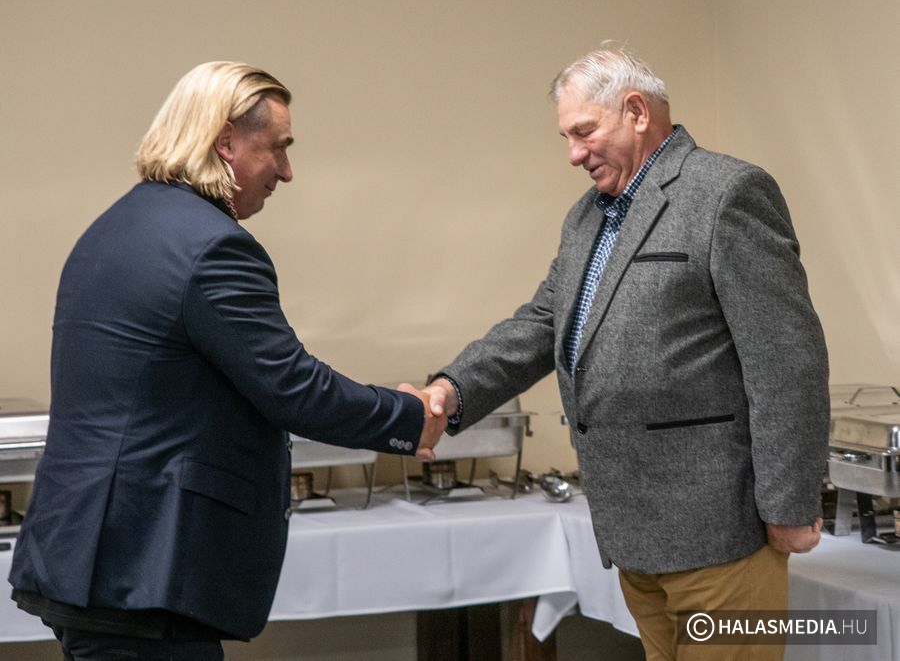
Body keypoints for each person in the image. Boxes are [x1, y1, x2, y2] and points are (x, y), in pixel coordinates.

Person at [8, 61, 446, 660]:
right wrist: (408, 416)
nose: (286, 172)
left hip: (85, 553)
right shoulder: (214, 246)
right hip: (141, 567)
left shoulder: (112, 228)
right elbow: (293, 388)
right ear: (226, 142)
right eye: (278, 148)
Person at [424, 44, 828, 661]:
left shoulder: (727, 192)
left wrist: (790, 503)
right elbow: (542, 323)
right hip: (635, 536)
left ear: (636, 112)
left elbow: (787, 360)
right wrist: (451, 390)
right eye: (566, 137)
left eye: (584, 131)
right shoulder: (586, 217)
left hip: (722, 532)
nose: (573, 153)